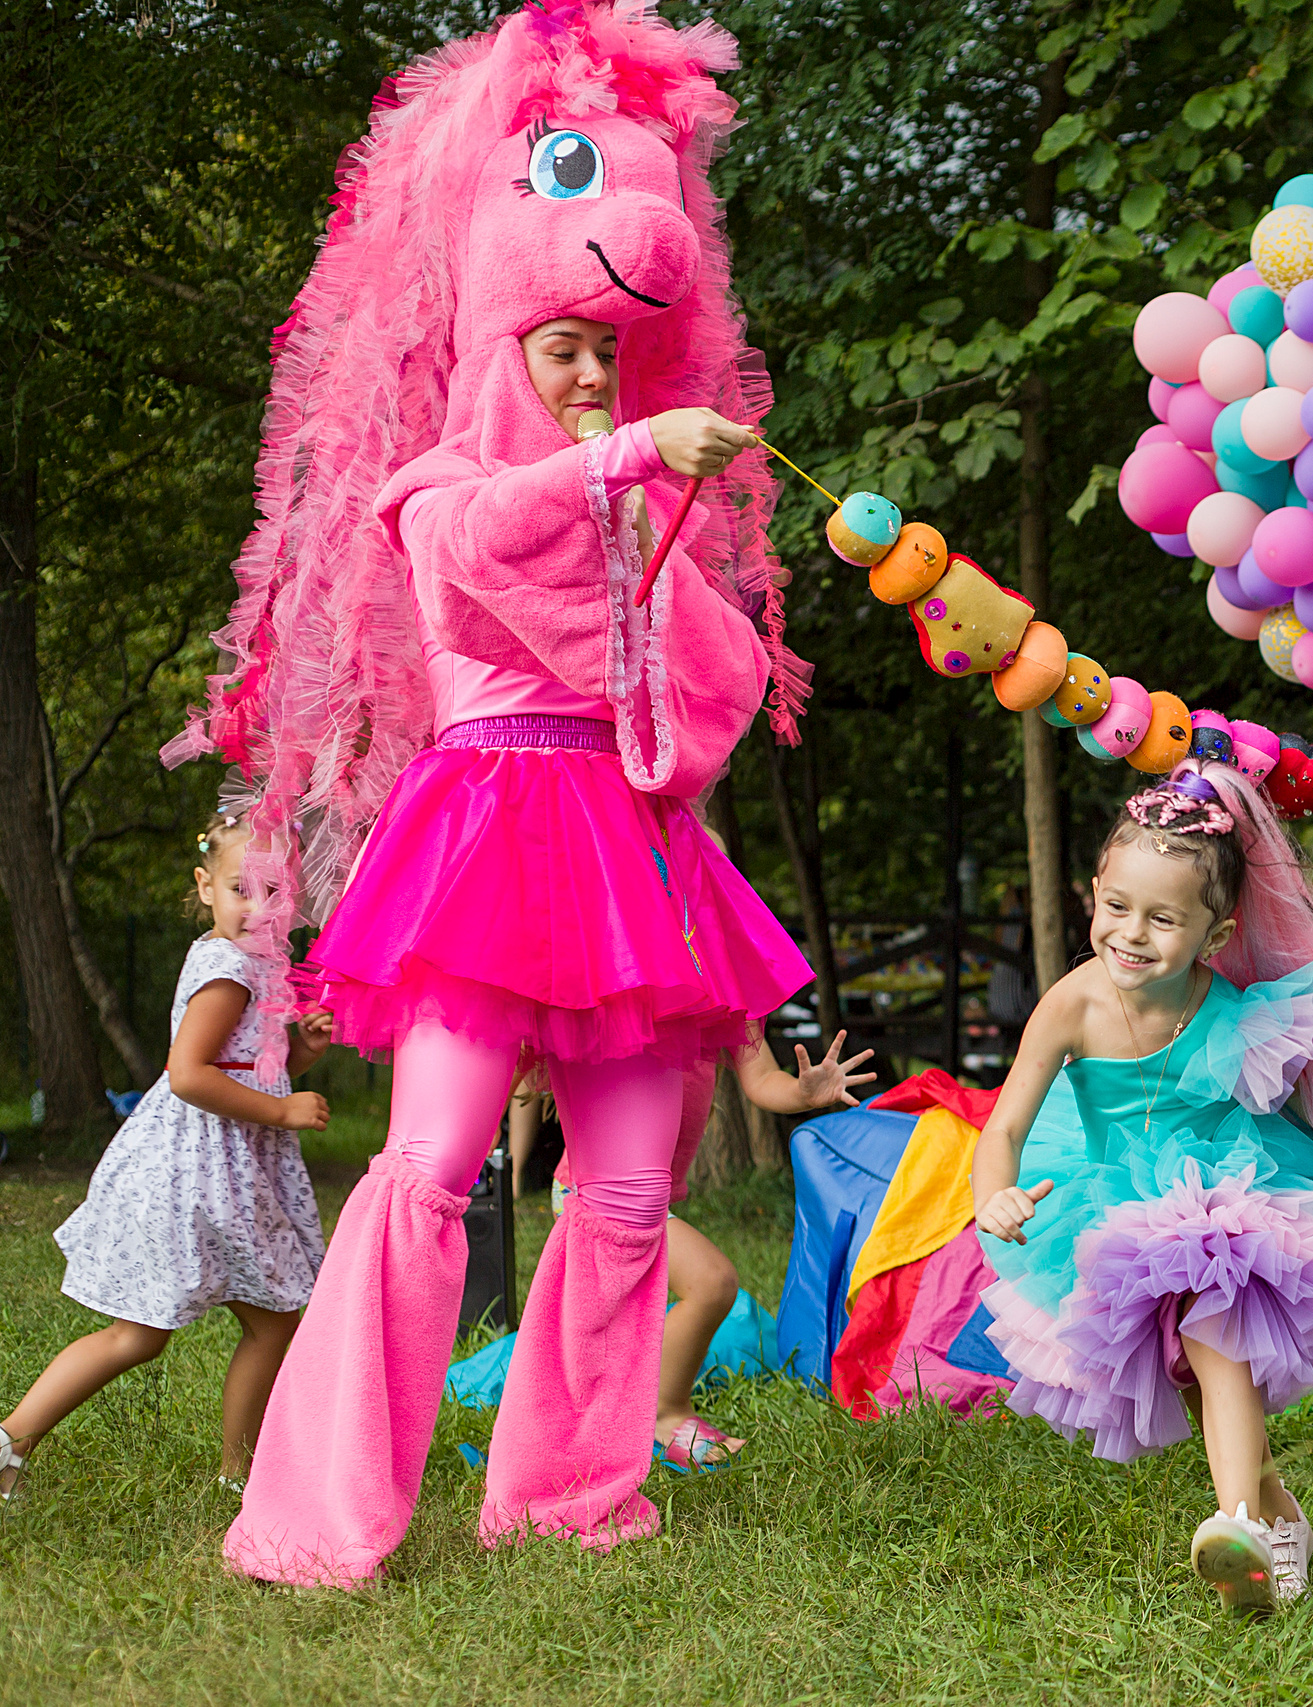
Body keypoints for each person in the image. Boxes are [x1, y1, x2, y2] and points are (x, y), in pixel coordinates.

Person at [188, 4, 816, 1587]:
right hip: (483, 833)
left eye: (607, 351)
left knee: (628, 1192)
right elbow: (479, 549)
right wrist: (623, 467)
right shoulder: (443, 486)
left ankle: (572, 1490)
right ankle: (320, 1507)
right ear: (500, 347)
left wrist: (649, 520)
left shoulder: (629, 508)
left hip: (628, 854)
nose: (592, 371)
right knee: (430, 1168)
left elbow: (712, 689)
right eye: (562, 347)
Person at [972, 762, 1313, 1614]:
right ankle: (1275, 1515)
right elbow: (1003, 1127)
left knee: (1211, 1319)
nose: (1132, 934)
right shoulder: (1072, 1005)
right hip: (1111, 1199)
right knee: (1202, 1371)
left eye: (1163, 919)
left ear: (1214, 935)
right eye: (1117, 906)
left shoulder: (1239, 1009)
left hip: (1228, 1192)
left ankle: (1237, 1522)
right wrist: (992, 1193)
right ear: (1093, 895)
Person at [0, 813, 333, 1499]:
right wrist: (281, 1111)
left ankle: (237, 1474)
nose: (258, 907)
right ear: (205, 885)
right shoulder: (227, 969)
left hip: (228, 1172)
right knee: (161, 1331)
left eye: (274, 892)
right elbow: (187, 1073)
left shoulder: (257, 963)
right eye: (241, 889)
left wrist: (303, 1049)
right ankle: (16, 1439)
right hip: (199, 1172)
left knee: (244, 1323)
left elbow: (253, 1061)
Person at [561, 1030, 874, 1470]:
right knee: (711, 1282)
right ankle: (663, 1414)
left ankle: (607, 1418)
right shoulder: (632, 994)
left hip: (643, 1198)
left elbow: (761, 1077)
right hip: (591, 1189)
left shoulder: (723, 998)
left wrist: (802, 1093)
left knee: (624, 1318)